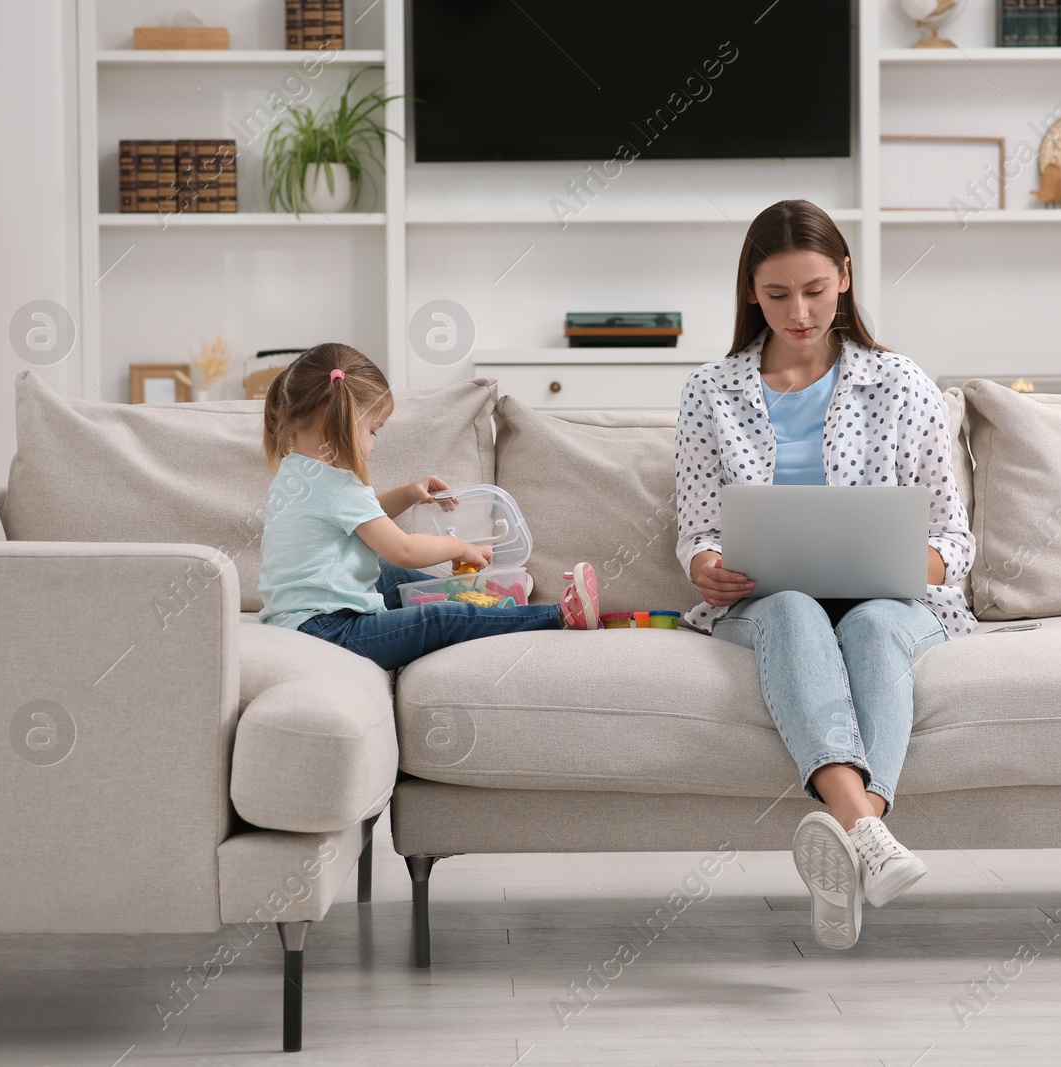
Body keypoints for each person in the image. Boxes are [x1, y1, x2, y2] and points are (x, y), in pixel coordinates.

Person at [674, 200, 976, 951]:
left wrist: (908, 560)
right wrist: (706, 564)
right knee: (792, 610)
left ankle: (853, 836)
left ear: (844, 276)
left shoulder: (903, 383)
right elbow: (699, 525)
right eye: (777, 295)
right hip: (770, 601)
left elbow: (954, 541)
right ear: (749, 292)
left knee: (873, 622)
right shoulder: (709, 392)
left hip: (892, 597)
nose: (800, 311)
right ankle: (871, 833)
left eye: (815, 289)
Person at [259, 342, 601, 670]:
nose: (373, 446)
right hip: (331, 632)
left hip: (299, 618)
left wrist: (408, 493)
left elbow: (359, 519)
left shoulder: (297, 472)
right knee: (435, 619)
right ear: (343, 423)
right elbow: (404, 549)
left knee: (389, 577)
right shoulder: (340, 487)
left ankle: (477, 597)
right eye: (373, 432)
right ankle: (558, 617)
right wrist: (461, 547)